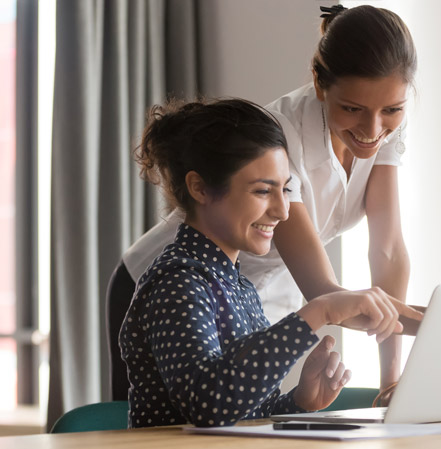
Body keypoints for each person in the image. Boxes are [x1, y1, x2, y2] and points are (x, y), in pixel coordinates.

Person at [117, 4, 419, 402]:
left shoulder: (379, 128)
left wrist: (390, 381)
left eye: (392, 110)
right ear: (319, 82)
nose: (373, 129)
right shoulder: (277, 138)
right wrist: (434, 323)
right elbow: (323, 293)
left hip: (240, 285)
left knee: (245, 408)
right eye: (353, 109)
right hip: (179, 283)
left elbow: (388, 250)